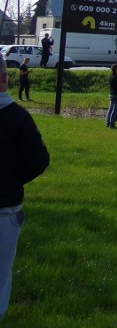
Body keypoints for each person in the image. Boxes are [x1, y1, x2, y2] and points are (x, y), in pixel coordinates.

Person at [0, 53, 50, 320]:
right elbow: (38, 160)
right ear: (5, 79)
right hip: (4, 209)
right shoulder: (17, 118)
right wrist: (11, 179)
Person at [105, 64, 117, 128]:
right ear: (116, 70)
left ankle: (107, 122)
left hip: (111, 94)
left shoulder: (111, 77)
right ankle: (112, 124)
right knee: (115, 110)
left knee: (110, 108)